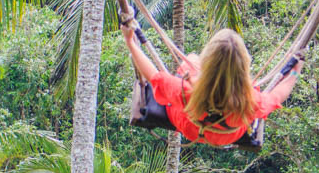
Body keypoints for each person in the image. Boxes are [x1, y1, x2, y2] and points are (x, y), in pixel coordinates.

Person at [121, 26, 303, 146]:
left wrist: (130, 41)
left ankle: (198, 69)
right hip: (227, 135)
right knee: (252, 86)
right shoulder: (250, 102)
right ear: (244, 66)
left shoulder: (186, 92)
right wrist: (295, 70)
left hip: (190, 127)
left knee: (191, 61)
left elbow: (154, 76)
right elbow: (278, 95)